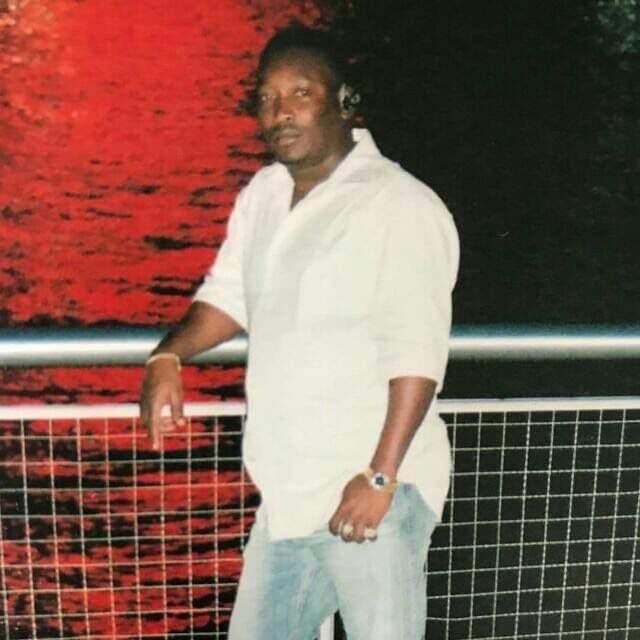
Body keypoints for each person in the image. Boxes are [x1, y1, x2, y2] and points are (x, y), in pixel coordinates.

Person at [140, 25, 459, 640]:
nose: (280, 111)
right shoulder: (263, 194)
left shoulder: (397, 204)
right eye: (267, 97)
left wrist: (380, 478)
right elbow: (228, 297)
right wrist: (167, 357)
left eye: (300, 93)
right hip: (288, 501)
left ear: (345, 102)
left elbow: (416, 357)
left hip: (371, 494)